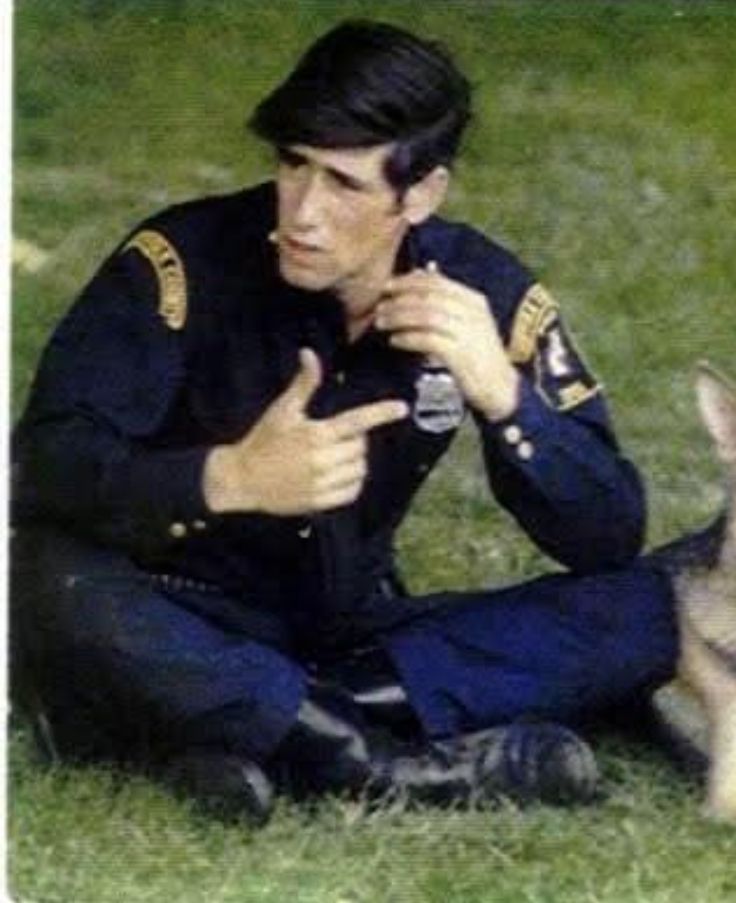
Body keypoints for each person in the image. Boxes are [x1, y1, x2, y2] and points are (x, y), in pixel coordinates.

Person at [11, 20, 678, 824]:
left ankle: (253, 727)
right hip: (173, 605)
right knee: (40, 576)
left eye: (344, 184)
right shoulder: (178, 261)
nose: (303, 212)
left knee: (648, 606)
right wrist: (227, 479)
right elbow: (44, 466)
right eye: (293, 164)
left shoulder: (483, 290)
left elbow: (609, 534)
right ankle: (375, 762)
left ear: (422, 193)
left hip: (345, 630)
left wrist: (505, 395)